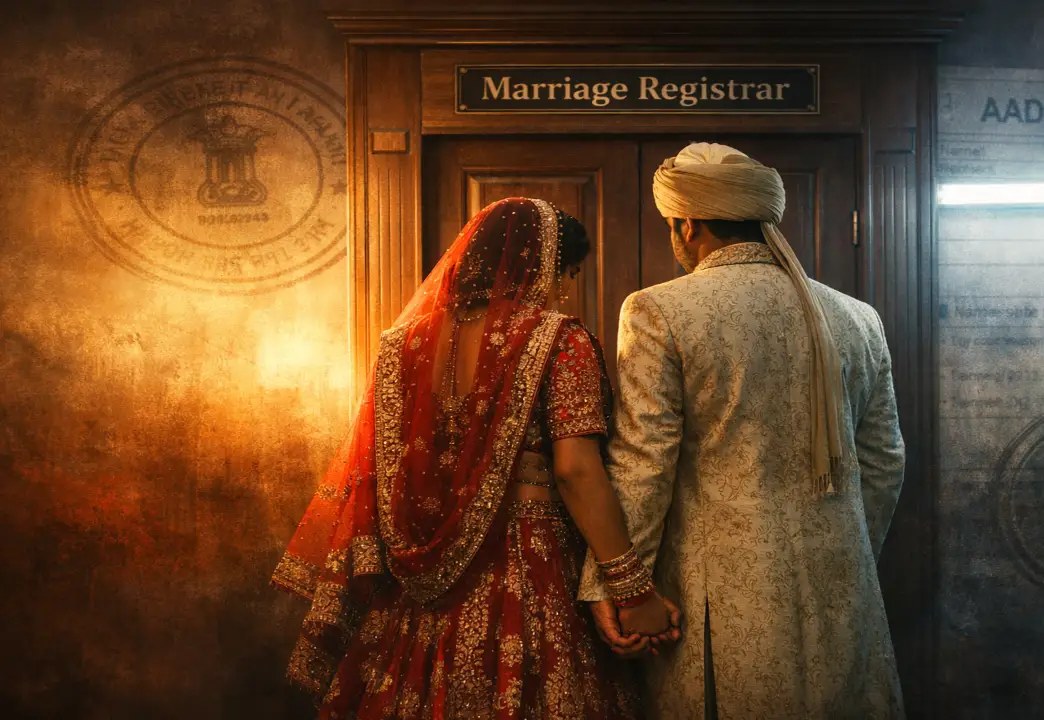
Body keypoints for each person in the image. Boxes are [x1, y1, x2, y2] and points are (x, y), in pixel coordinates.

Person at [272, 197, 679, 719]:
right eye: (568, 275)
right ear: (542, 267)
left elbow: (381, 466)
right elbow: (576, 470)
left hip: (419, 581)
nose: (564, 292)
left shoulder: (401, 345)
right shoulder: (559, 339)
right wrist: (631, 589)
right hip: (529, 564)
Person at [579, 144, 908, 719]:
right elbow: (884, 463)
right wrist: (847, 553)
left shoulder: (659, 311)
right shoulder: (858, 317)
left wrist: (618, 587)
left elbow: (643, 462)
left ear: (687, 223)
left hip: (717, 604)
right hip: (843, 594)